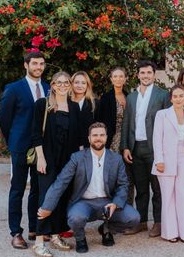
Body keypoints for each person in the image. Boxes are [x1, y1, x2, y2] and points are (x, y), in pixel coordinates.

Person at [37, 122, 140, 254]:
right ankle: (80, 238)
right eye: (95, 135)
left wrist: (115, 204)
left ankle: (106, 229)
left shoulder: (116, 159)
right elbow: (61, 182)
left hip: (107, 202)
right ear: (89, 138)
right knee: (75, 218)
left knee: (134, 218)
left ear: (106, 137)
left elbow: (123, 185)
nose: (98, 138)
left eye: (102, 135)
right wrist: (48, 207)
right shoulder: (77, 158)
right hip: (83, 202)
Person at [0, 51, 50, 249]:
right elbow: (4, 118)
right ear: (26, 65)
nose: (38, 67)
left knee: (37, 189)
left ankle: (34, 228)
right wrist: (12, 140)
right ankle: (16, 232)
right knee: (17, 189)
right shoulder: (13, 89)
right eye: (35, 63)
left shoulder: (48, 88)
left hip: (41, 149)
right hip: (20, 146)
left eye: (42, 64)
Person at [31, 71, 83, 257]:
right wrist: (41, 158)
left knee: (62, 196)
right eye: (58, 83)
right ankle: (38, 241)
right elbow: (36, 133)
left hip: (67, 160)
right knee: (46, 197)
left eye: (66, 83)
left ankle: (55, 235)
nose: (62, 86)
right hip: (48, 158)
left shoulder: (74, 107)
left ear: (69, 86)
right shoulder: (42, 105)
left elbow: (78, 136)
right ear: (52, 85)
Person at [121, 60, 170, 237]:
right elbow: (126, 123)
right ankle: (141, 222)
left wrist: (164, 151)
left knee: (157, 188)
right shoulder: (131, 97)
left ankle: (158, 222)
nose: (146, 76)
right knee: (141, 189)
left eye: (149, 73)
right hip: (136, 148)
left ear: (154, 75)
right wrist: (125, 146)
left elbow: (168, 123)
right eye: (142, 73)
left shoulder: (163, 95)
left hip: (155, 149)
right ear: (138, 75)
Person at [152, 84, 184, 243]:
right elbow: (157, 138)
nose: (178, 99)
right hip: (165, 159)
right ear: (171, 98)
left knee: (183, 195)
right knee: (168, 196)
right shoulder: (162, 115)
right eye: (175, 96)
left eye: (181, 96)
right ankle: (170, 232)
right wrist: (159, 160)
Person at [96, 67, 130, 202]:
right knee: (111, 177)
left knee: (127, 177)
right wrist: (104, 145)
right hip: (112, 141)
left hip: (128, 140)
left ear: (125, 79)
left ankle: (126, 209)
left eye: (121, 76)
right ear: (111, 79)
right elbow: (100, 123)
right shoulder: (105, 98)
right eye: (115, 76)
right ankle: (110, 215)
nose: (118, 79)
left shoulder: (130, 96)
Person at [71, 71, 99, 149]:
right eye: (76, 82)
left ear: (87, 85)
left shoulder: (95, 104)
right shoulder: (65, 102)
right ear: (72, 84)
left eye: (83, 83)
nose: (80, 85)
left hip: (88, 148)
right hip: (67, 149)